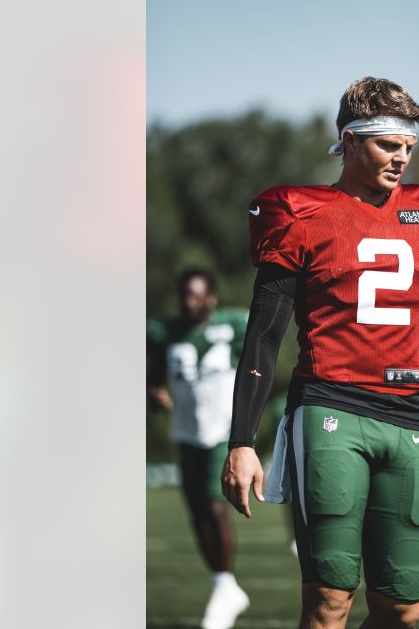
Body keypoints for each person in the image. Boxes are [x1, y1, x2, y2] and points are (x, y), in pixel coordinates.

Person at [222, 77, 419, 629]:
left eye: (408, 148)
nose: (401, 159)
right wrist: (241, 442)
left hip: (410, 415)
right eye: (387, 145)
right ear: (349, 141)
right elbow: (263, 336)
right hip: (331, 406)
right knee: (330, 603)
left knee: (403, 609)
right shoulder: (300, 212)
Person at [147, 268, 251, 629]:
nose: (189, 303)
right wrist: (152, 390)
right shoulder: (165, 332)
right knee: (196, 510)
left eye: (196, 295)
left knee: (213, 506)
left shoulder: (234, 325)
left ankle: (224, 584)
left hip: (220, 431)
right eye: (184, 296)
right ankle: (223, 583)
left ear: (212, 298)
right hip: (186, 432)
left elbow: (260, 356)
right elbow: (151, 371)